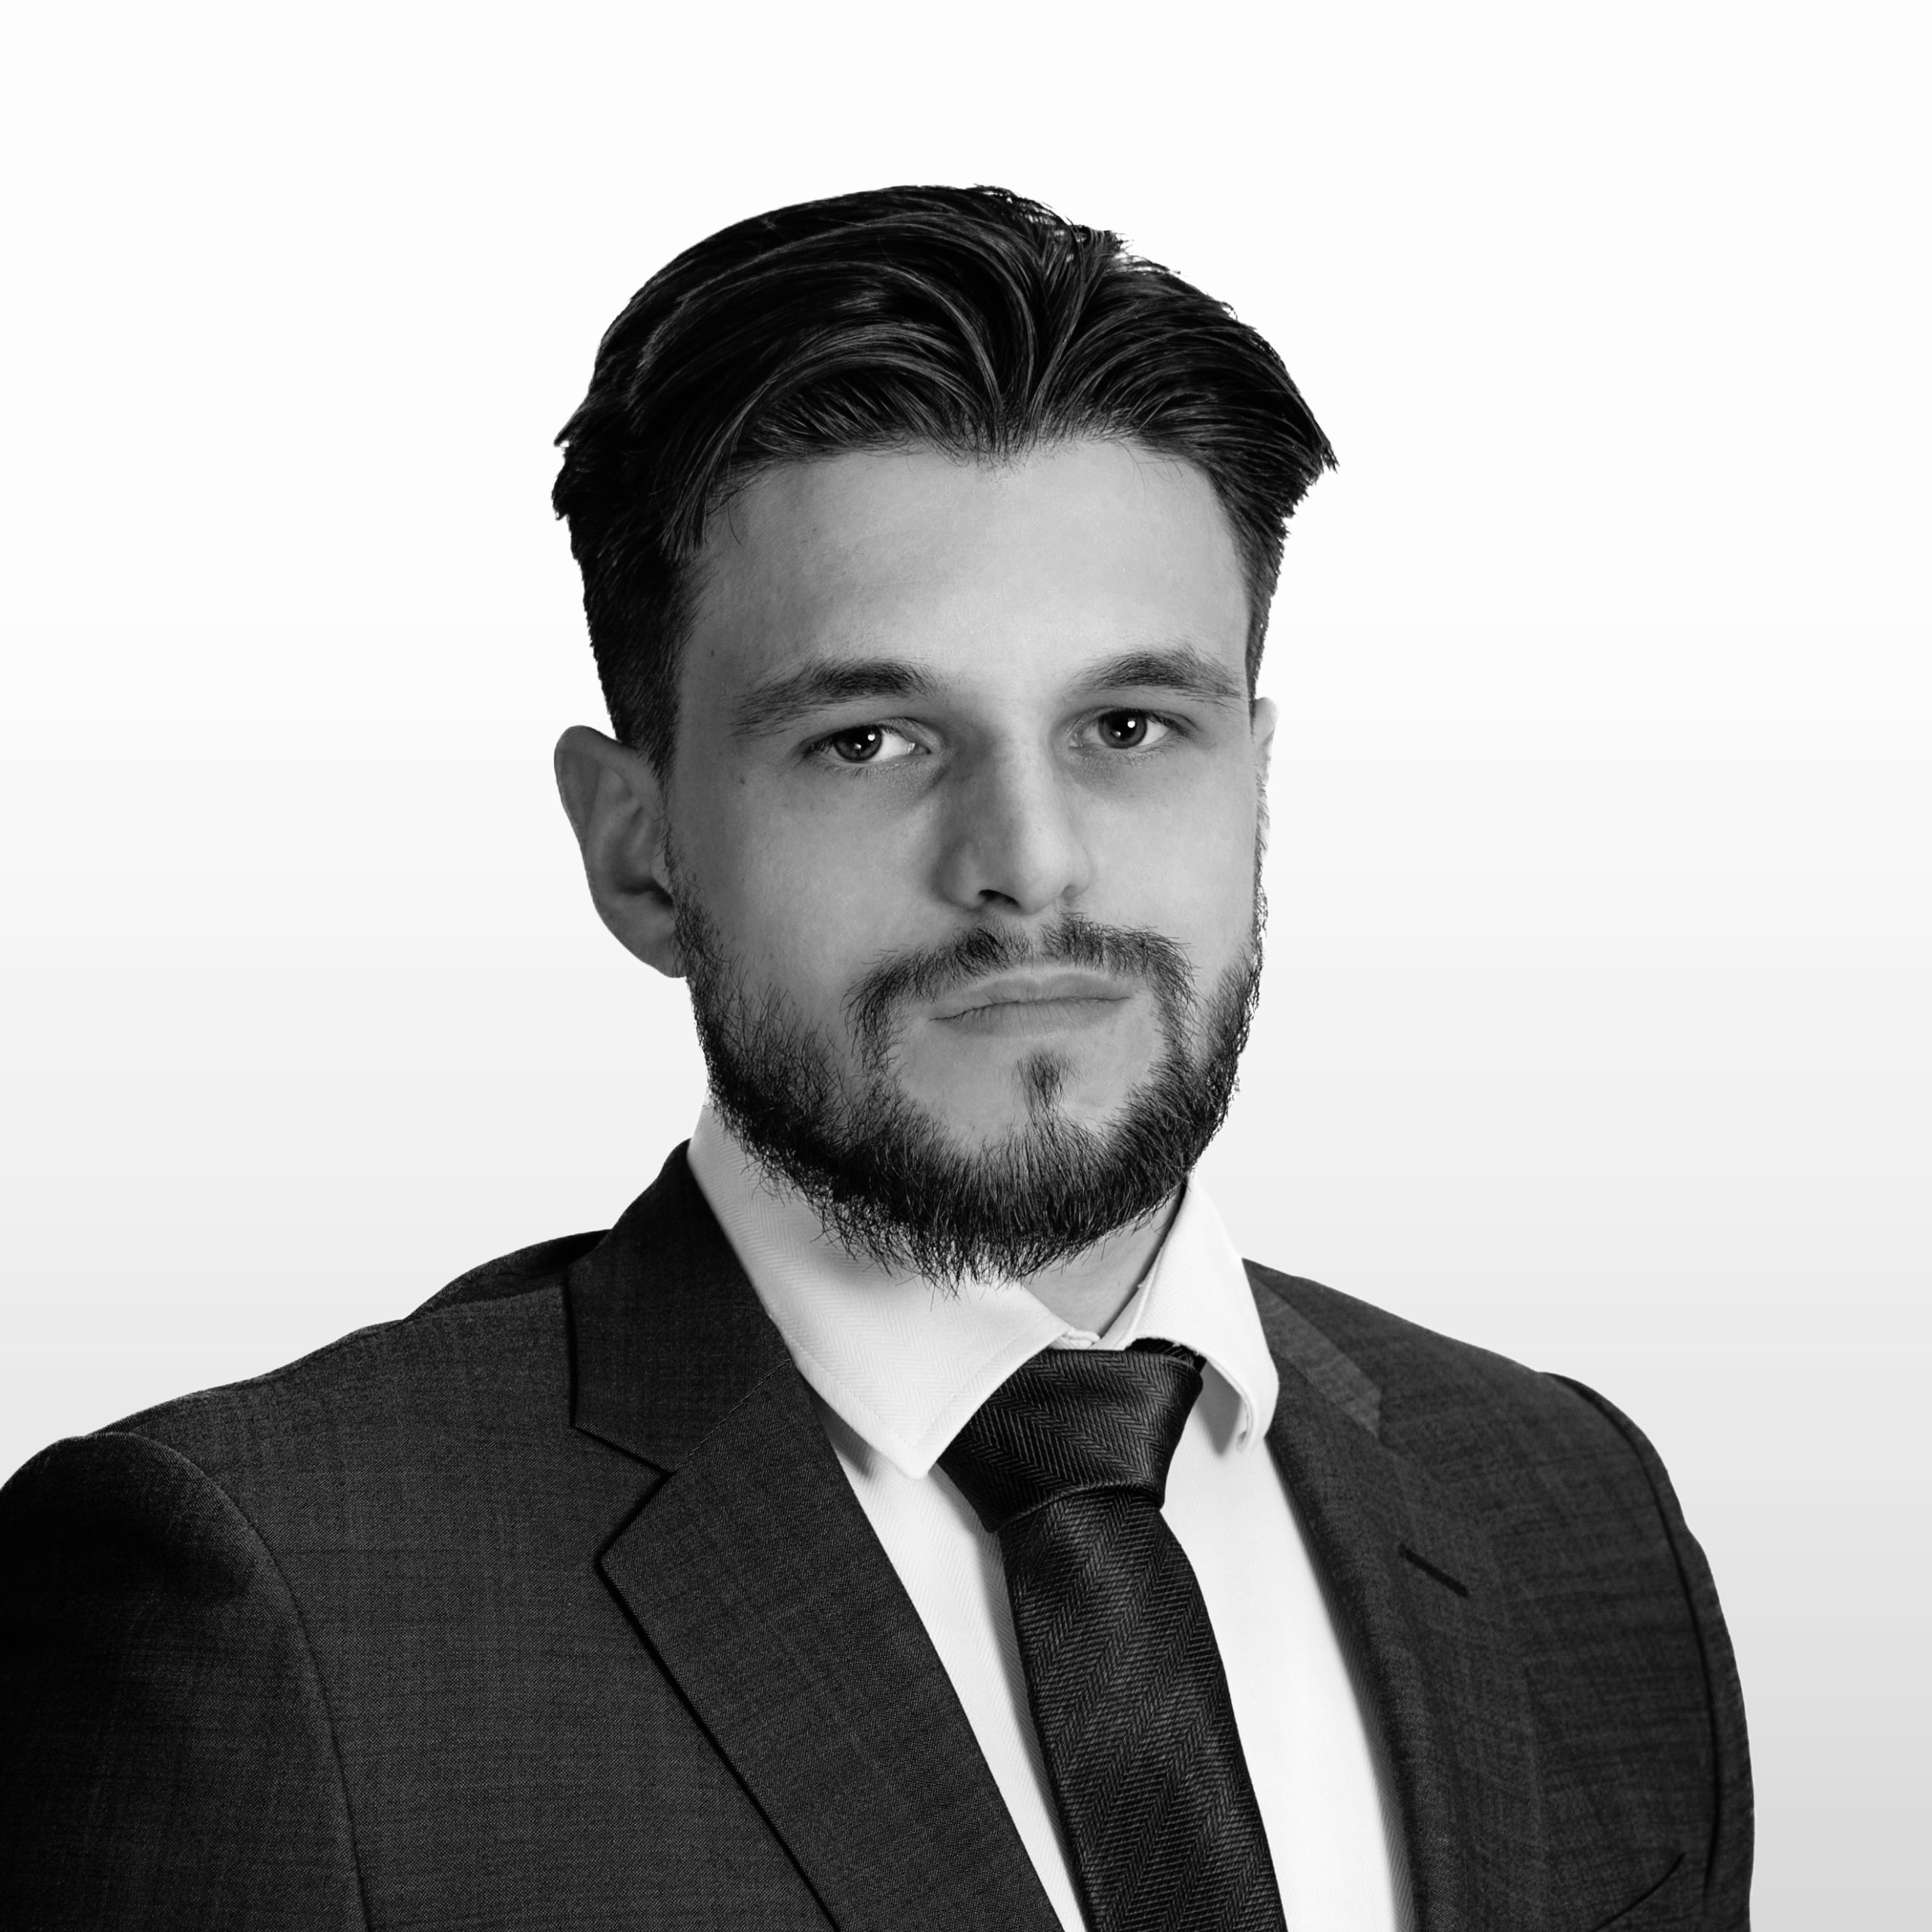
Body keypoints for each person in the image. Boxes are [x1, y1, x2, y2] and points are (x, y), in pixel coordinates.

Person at [0, 186, 1751, 1932]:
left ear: (1253, 773)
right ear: (637, 847)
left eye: (1129, 726)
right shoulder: (262, 1603)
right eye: (869, 738)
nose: (1030, 857)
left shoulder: (1568, 1512)